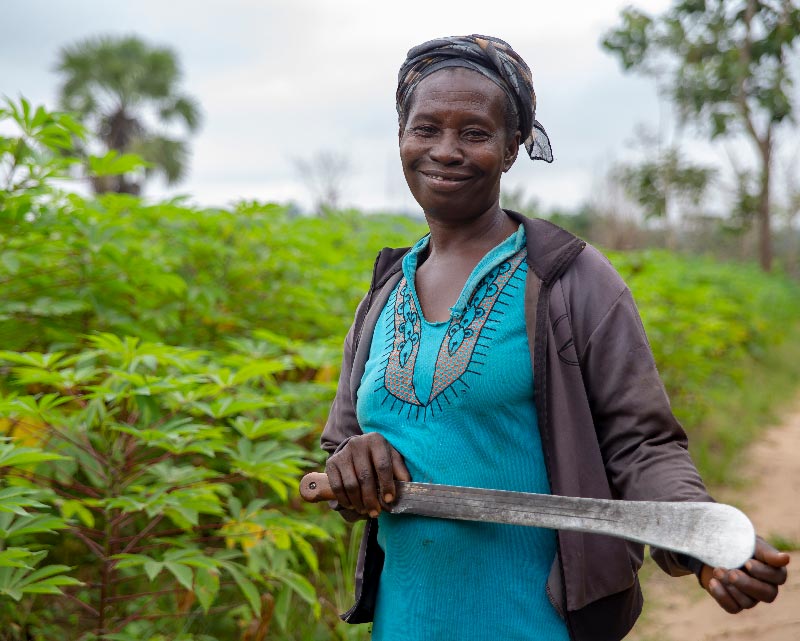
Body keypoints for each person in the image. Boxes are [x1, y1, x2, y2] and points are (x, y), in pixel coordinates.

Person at [319, 35, 789, 641]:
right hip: (407, 620)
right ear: (401, 137)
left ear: (513, 149)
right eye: (425, 128)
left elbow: (640, 443)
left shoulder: (570, 280)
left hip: (534, 620)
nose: (445, 151)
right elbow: (338, 452)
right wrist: (351, 466)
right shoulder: (384, 294)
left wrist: (699, 537)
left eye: (475, 133)